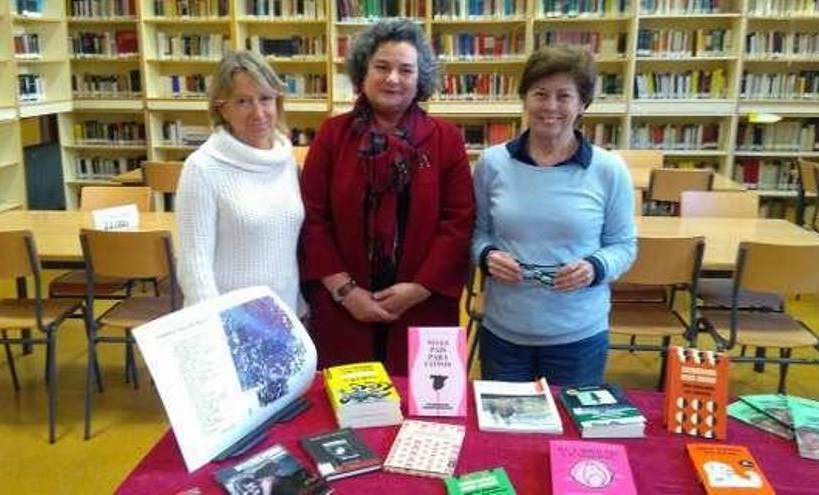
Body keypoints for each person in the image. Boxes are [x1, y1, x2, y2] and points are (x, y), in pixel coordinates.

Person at [300, 19, 474, 373]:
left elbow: (457, 223)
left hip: (422, 304)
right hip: (343, 307)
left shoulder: (446, 139)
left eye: (405, 70)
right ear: (363, 72)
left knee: (421, 410)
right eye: (382, 67)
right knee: (349, 412)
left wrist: (420, 288)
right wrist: (346, 292)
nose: (393, 78)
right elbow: (314, 219)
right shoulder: (333, 134)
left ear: (419, 79)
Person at [471, 45, 637, 386]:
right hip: (504, 334)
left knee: (569, 433)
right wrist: (486, 256)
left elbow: (624, 246)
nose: (550, 106)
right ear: (525, 99)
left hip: (578, 336)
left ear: (582, 104)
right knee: (507, 436)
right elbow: (476, 233)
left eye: (564, 96)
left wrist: (595, 267)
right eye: (540, 94)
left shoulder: (609, 169)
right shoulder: (491, 163)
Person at [176, 51, 304, 313]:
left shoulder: (286, 160)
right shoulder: (202, 167)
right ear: (222, 108)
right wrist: (215, 328)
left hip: (285, 313)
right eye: (243, 101)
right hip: (232, 319)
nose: (259, 112)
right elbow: (194, 265)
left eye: (266, 99)